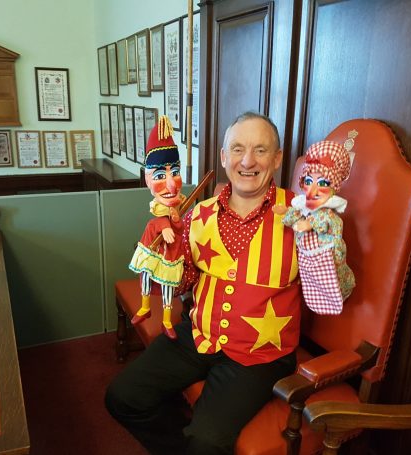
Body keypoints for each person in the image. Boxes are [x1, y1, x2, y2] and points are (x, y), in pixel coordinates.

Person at [105, 112, 301, 455]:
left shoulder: (301, 217)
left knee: (207, 441)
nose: (247, 161)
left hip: (260, 354)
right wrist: (168, 258)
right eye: (238, 149)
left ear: (277, 157)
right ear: (224, 157)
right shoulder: (198, 214)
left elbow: (333, 294)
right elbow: (183, 285)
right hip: (197, 332)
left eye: (260, 150)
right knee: (122, 398)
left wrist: (326, 244)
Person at [277, 140, 355, 314]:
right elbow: (298, 215)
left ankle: (334, 295)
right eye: (309, 180)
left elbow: (329, 221)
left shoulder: (329, 213)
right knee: (309, 283)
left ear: (333, 187)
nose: (314, 188)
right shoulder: (304, 205)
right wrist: (286, 212)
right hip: (307, 260)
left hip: (326, 260)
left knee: (326, 284)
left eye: (323, 183)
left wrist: (309, 223)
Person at [129, 115, 186, 339]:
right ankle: (145, 306)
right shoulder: (157, 207)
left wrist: (176, 221)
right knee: (145, 273)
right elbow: (158, 215)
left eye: (175, 173)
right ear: (148, 178)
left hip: (170, 251)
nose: (171, 184)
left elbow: (179, 228)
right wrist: (165, 225)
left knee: (167, 285)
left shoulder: (178, 204)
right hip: (152, 244)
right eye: (161, 175)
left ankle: (166, 320)